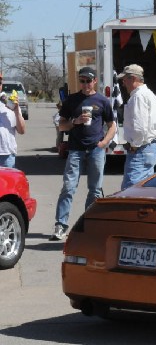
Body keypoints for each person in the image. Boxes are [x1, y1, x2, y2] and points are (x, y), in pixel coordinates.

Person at [50, 67, 116, 241]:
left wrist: (104, 143)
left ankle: (88, 225)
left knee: (94, 190)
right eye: (82, 81)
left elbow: (112, 125)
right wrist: (75, 121)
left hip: (96, 150)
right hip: (76, 149)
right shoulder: (72, 100)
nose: (85, 84)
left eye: (88, 80)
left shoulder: (102, 101)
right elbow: (61, 125)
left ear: (95, 81)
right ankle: (60, 225)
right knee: (68, 188)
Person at [117, 64, 156, 190]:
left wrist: (133, 146)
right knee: (144, 190)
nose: (123, 83)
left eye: (124, 79)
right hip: (150, 148)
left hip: (140, 150)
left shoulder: (138, 97)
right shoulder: (150, 95)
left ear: (132, 78)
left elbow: (139, 128)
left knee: (130, 191)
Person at [0, 73, 26, 168]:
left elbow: (21, 130)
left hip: (7, 155)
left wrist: (16, 111)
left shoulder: (10, 103)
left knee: (7, 183)